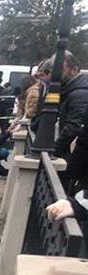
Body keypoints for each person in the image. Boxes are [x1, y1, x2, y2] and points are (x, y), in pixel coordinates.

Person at [53, 52, 88, 193]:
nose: (56, 73)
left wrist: (55, 151)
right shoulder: (71, 90)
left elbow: (73, 127)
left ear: (74, 70)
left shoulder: (80, 93)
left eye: (60, 69)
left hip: (71, 160)